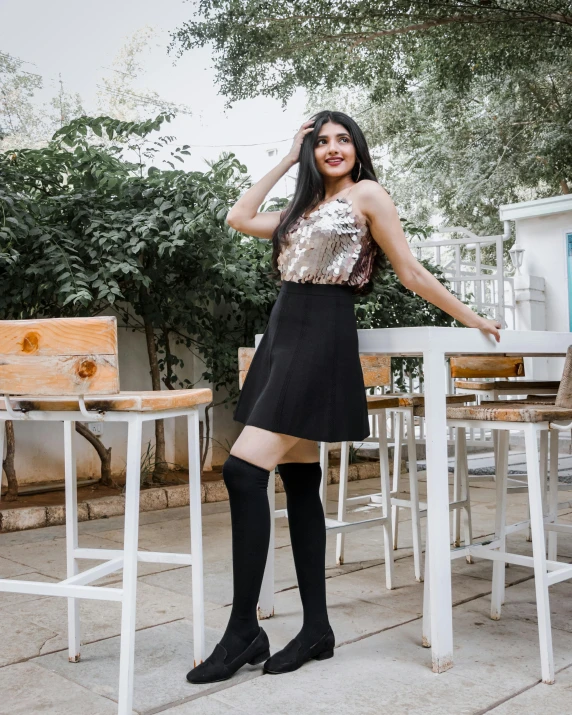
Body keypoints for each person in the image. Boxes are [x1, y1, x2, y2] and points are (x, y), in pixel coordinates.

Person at [186, 110, 501, 685]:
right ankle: (316, 630)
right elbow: (239, 217)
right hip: (284, 332)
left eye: (343, 139)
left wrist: (471, 317)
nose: (333, 148)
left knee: (241, 470)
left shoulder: (369, 196)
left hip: (322, 332)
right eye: (322, 141)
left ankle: (242, 633)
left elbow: (410, 271)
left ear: (358, 148)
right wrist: (287, 156)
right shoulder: (302, 209)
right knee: (301, 479)